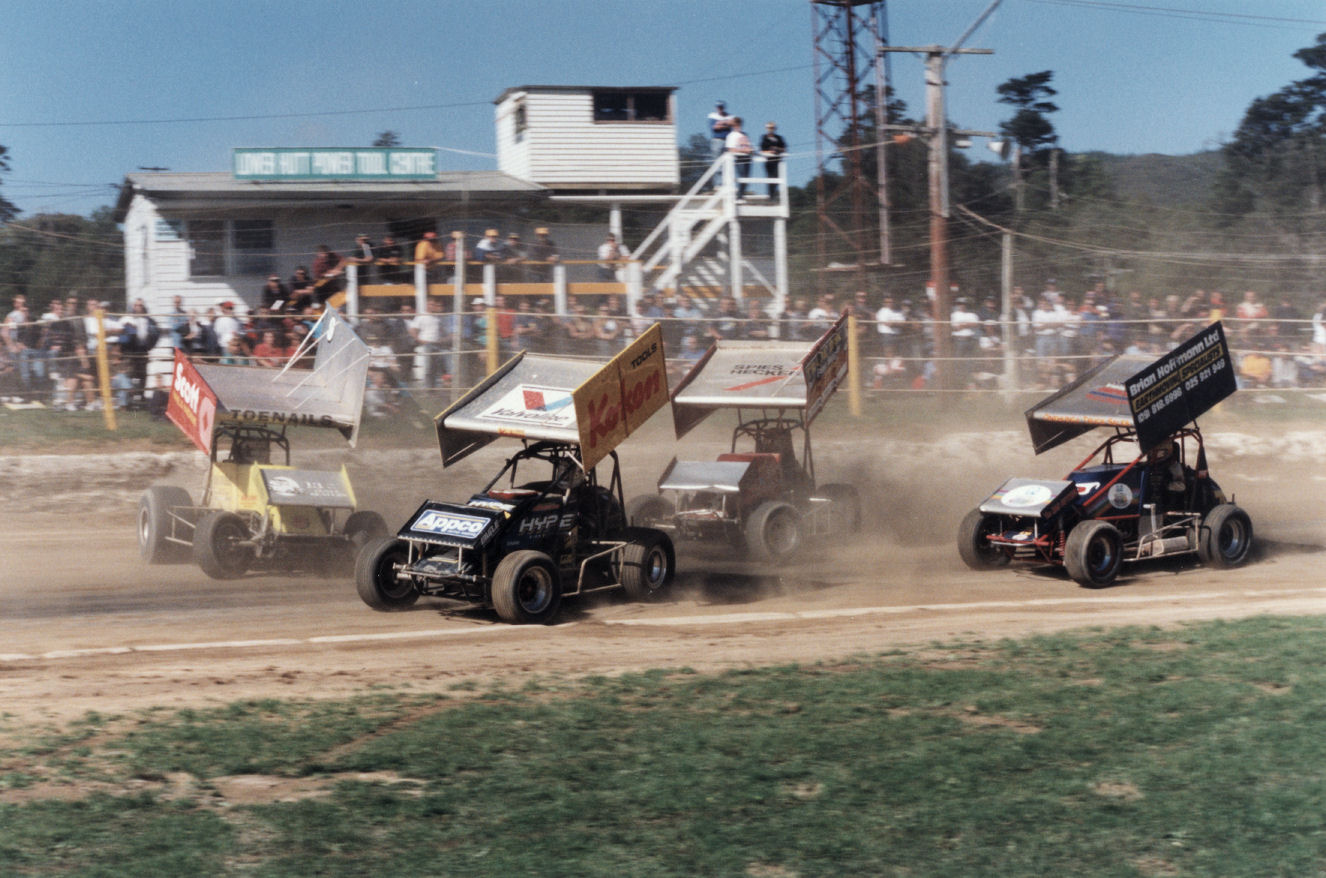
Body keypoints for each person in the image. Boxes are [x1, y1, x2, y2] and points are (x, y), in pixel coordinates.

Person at [725, 116, 754, 199]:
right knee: (742, 176)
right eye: (736, 124)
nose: (738, 126)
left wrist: (751, 150)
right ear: (733, 125)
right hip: (739, 159)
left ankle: (741, 195)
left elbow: (749, 146)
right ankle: (739, 196)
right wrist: (744, 151)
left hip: (747, 159)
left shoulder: (745, 135)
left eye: (739, 124)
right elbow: (731, 149)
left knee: (747, 178)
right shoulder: (731, 136)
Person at [759, 121, 787, 198]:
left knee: (777, 177)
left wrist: (777, 149)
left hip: (778, 161)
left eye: (773, 128)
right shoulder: (764, 137)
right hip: (769, 161)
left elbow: (784, 149)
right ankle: (770, 195)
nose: (771, 129)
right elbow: (762, 150)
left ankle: (772, 195)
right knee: (770, 177)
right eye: (769, 128)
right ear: (767, 128)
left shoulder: (779, 138)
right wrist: (770, 151)